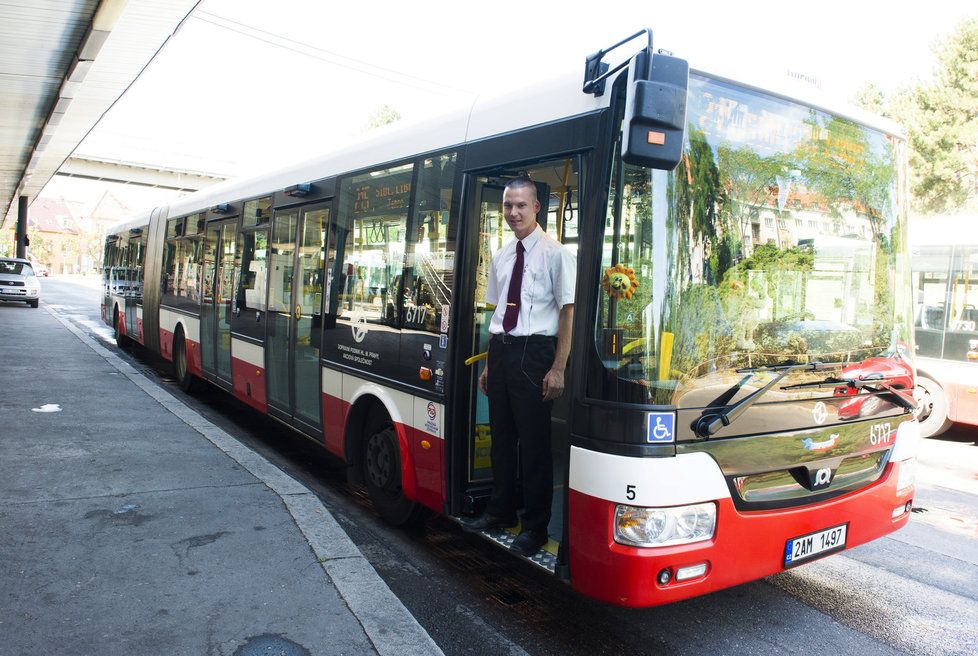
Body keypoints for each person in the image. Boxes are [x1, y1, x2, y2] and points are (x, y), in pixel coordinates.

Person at [462, 175, 576, 557]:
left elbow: (567, 314)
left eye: (521, 205)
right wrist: (489, 365)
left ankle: (535, 527)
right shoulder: (502, 255)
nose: (513, 212)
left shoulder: (556, 253)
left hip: (535, 353)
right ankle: (499, 510)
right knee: (501, 440)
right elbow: (499, 311)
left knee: (534, 445)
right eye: (508, 206)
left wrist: (558, 368)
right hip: (503, 351)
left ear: (537, 207)